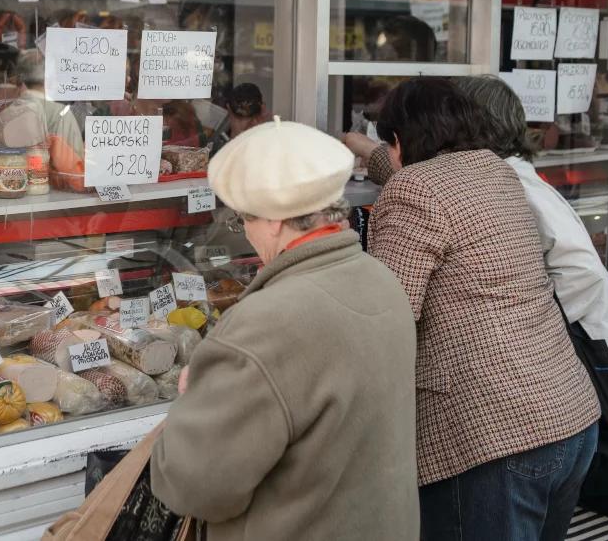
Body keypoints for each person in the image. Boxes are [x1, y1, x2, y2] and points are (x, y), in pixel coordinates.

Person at [347, 75, 608, 423]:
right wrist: (365, 146)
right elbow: (412, 169)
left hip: (606, 381)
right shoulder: (493, 174)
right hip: (572, 395)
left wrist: (525, 324)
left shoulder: (509, 182)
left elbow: (582, 275)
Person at [150, 118, 419, 540]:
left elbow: (193, 486)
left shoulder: (265, 322)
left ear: (274, 220)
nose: (248, 234)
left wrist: (191, 401)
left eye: (244, 221)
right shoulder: (380, 278)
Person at [363, 78, 599, 540]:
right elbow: (413, 175)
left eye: (388, 143)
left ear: (400, 140)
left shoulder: (414, 189)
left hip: (493, 439)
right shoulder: (494, 170)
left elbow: (387, 314)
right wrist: (359, 150)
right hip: (567, 416)